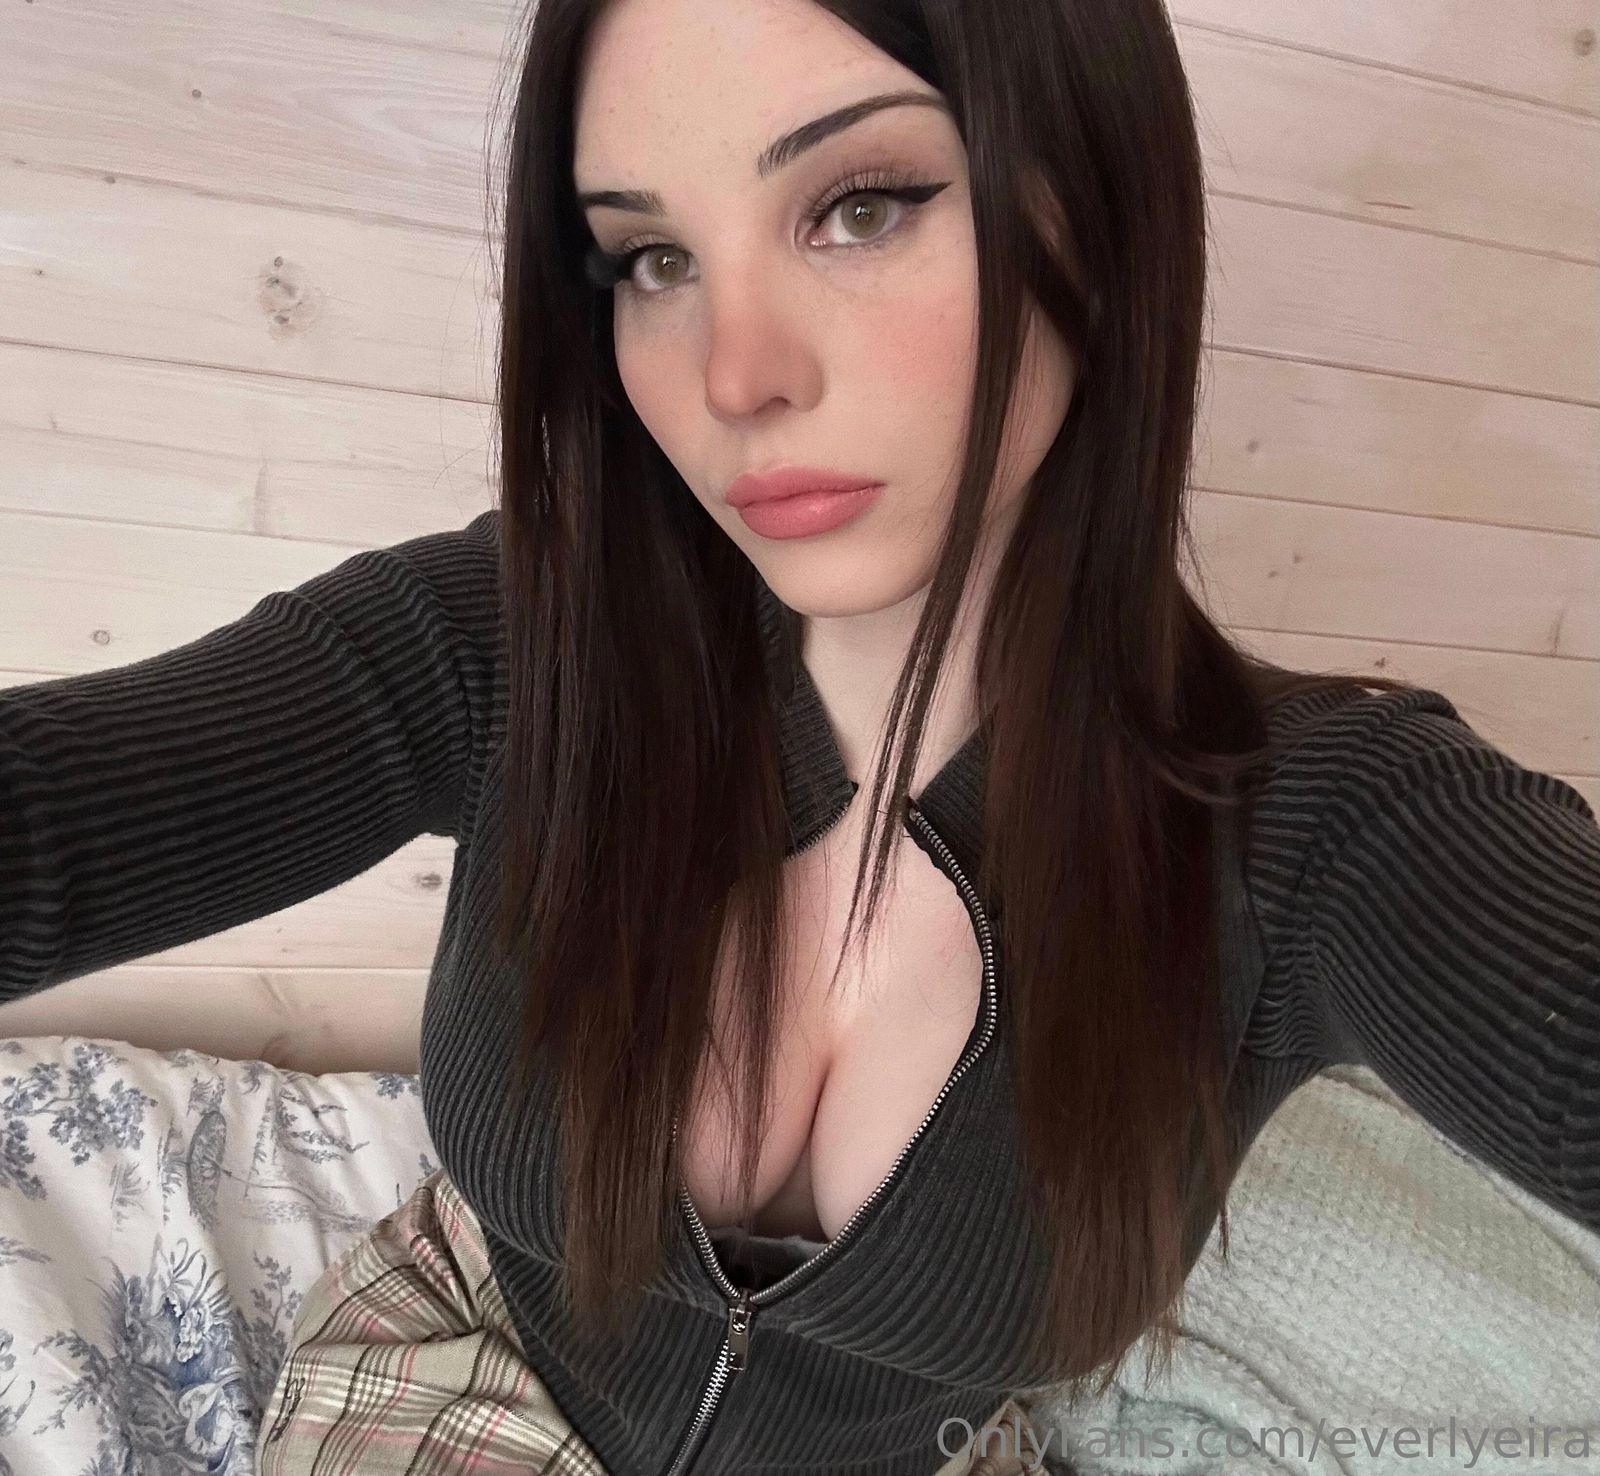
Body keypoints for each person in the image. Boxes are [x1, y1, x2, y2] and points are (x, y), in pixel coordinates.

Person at [3, 0, 1596, 1472]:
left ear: (1098, 216)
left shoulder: (1313, 825)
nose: (734, 378)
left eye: (862, 205)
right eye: (652, 258)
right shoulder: (527, 639)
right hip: (464, 1375)